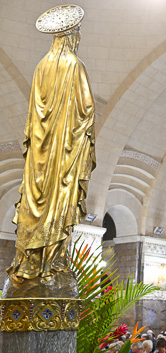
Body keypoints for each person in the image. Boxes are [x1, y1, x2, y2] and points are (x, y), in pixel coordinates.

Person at [8, 6, 96, 285]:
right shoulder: (74, 65)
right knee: (58, 203)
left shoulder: (40, 67)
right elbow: (86, 109)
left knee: (35, 202)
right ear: (71, 37)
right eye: (77, 35)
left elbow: (34, 114)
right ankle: (51, 262)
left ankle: (28, 262)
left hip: (39, 155)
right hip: (62, 154)